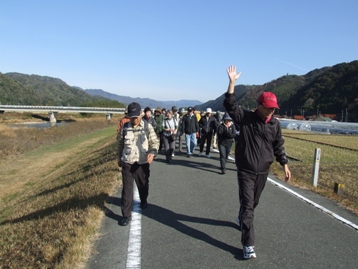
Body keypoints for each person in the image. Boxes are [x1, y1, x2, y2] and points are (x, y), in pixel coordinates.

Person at [224, 65, 291, 259]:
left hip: (263, 171)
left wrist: (284, 164)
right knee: (248, 206)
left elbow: (278, 145)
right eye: (268, 107)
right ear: (259, 105)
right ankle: (248, 244)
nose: (271, 111)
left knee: (253, 203)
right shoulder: (245, 118)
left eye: (273, 108)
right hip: (245, 169)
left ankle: (241, 217)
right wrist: (232, 83)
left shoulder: (275, 125)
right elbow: (230, 106)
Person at [117, 102, 159, 226]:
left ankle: (144, 199)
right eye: (132, 117)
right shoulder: (125, 127)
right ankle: (126, 215)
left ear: (140, 114)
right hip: (127, 161)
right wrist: (118, 158)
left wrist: (152, 153)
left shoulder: (147, 126)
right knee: (127, 190)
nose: (134, 119)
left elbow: (155, 142)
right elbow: (119, 144)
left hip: (142, 162)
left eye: (136, 117)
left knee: (143, 185)